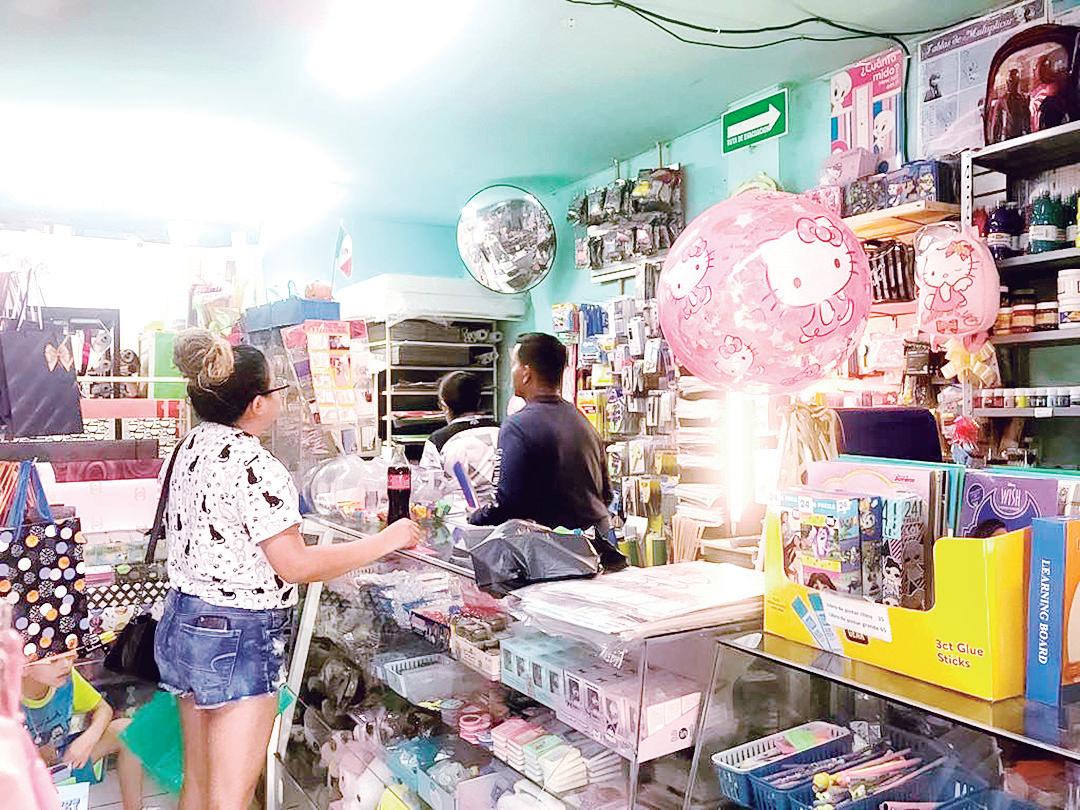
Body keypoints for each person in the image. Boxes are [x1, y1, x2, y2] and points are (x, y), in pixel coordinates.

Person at [156, 330, 420, 810]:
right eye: (276, 391)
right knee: (230, 797)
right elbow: (295, 564)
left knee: (197, 781)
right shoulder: (255, 464)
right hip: (236, 634)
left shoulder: (186, 447)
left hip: (182, 620)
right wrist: (386, 541)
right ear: (257, 404)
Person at [468, 333, 624, 566]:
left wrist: (474, 519)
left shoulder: (517, 426)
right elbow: (606, 494)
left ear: (526, 372)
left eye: (514, 364)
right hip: (599, 548)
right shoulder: (581, 421)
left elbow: (506, 504)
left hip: (557, 558)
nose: (512, 372)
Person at [22, 651, 146, 810]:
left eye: (69, 655)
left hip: (66, 761)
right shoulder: (6, 696)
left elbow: (103, 709)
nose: (66, 664)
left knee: (127, 730)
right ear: (23, 666)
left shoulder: (67, 679)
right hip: (23, 780)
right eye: (53, 660)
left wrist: (87, 740)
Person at [419, 371, 499, 504]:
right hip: (503, 512)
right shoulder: (502, 431)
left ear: (444, 406)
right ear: (479, 400)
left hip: (457, 514)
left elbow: (429, 492)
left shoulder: (438, 440)